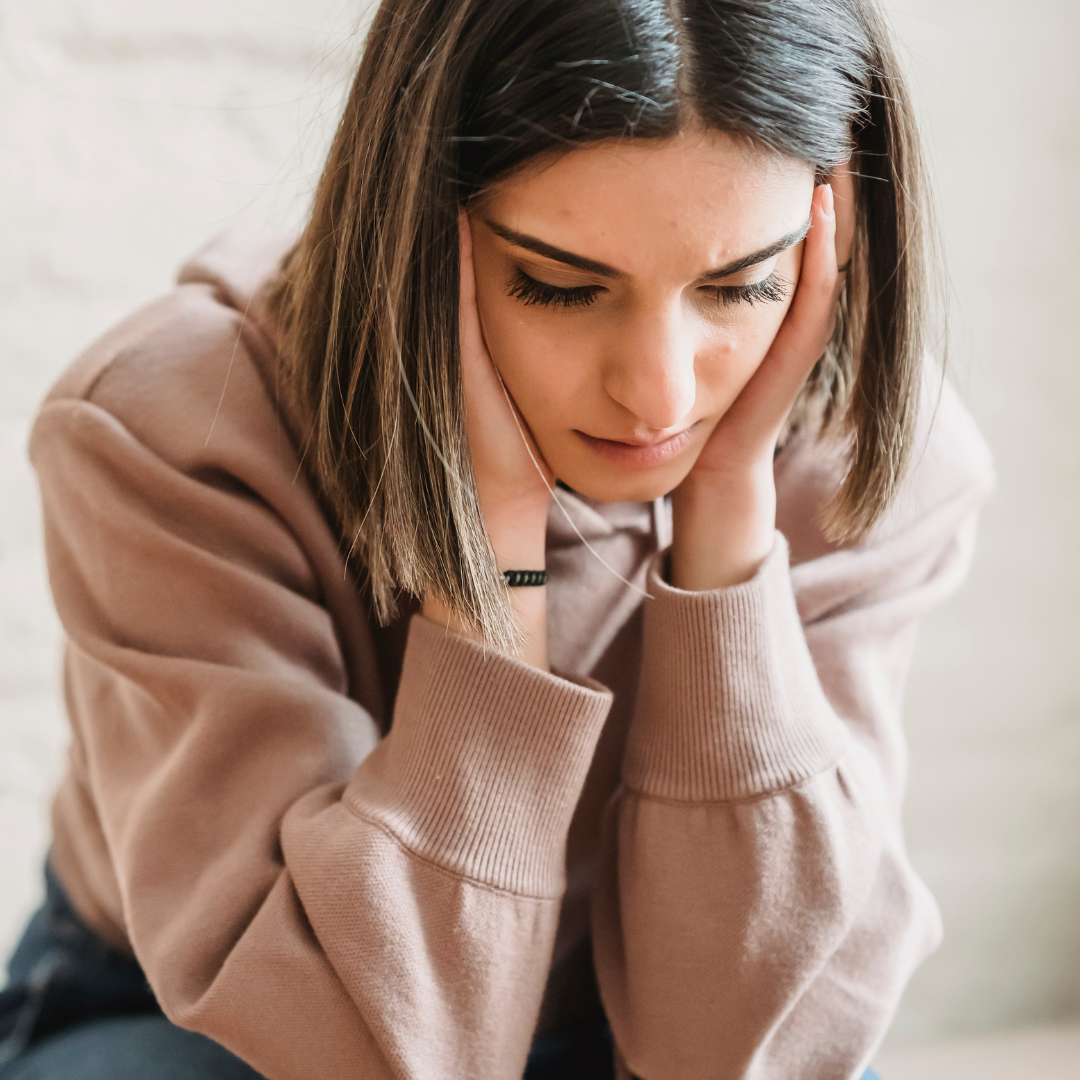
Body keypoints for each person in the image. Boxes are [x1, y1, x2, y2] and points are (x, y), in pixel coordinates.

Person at [0, 0, 994, 1077]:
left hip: (617, 1025)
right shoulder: (172, 434)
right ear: (414, 227)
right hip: (218, 1021)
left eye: (741, 284)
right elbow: (366, 1049)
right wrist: (490, 560)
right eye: (561, 286)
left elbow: (739, 1054)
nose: (658, 394)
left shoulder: (870, 459)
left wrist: (727, 539)